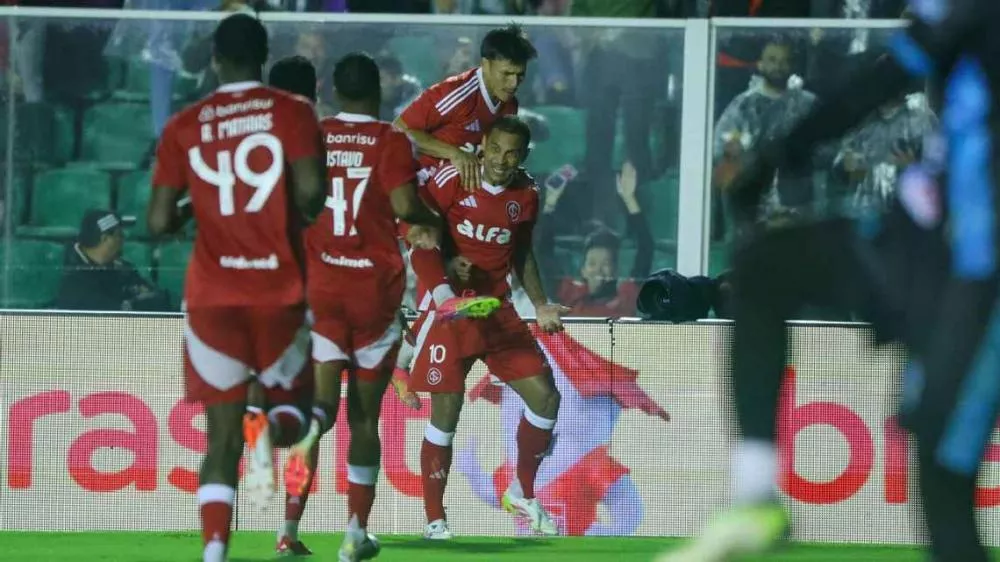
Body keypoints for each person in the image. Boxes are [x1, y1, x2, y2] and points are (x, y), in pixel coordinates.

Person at [658, 1, 1000, 561]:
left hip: (980, 280)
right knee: (765, 266)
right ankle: (754, 495)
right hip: (915, 247)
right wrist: (782, 151)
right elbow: (890, 71)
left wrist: (781, 150)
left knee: (942, 481)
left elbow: (882, 78)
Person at [146, 13, 326, 562]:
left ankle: (214, 553)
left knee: (218, 438)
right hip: (277, 291)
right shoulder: (292, 113)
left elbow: (155, 224)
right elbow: (313, 197)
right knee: (302, 418)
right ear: (264, 56)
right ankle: (272, 419)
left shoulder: (185, 125)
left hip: (211, 300)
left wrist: (191, 210)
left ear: (214, 60)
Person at [279, 51, 443, 562]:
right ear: (378, 92)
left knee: (319, 414)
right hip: (372, 296)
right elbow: (401, 207)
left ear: (332, 90)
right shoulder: (390, 140)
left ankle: (288, 532)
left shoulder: (313, 134)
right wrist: (429, 216)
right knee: (364, 421)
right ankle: (354, 534)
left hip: (322, 291)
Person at [405, 116, 568, 539]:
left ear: (523, 155)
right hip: (454, 312)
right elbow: (421, 240)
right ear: (483, 146)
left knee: (547, 398)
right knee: (446, 415)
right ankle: (434, 521)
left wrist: (540, 303)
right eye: (495, 149)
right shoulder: (452, 178)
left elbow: (523, 252)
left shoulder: (528, 194)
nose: (500, 159)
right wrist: (445, 274)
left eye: (511, 152)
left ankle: (522, 492)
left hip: (496, 311)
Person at [394, 23, 537, 190]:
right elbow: (398, 131)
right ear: (486, 64)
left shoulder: (509, 104)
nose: (513, 84)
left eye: (520, 75)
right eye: (506, 74)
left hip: (461, 192)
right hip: (422, 186)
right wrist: (454, 153)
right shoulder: (455, 93)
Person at [55, 209, 170, 311]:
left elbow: (153, 296)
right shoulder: (66, 269)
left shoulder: (122, 268)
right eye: (119, 235)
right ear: (105, 239)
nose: (123, 239)